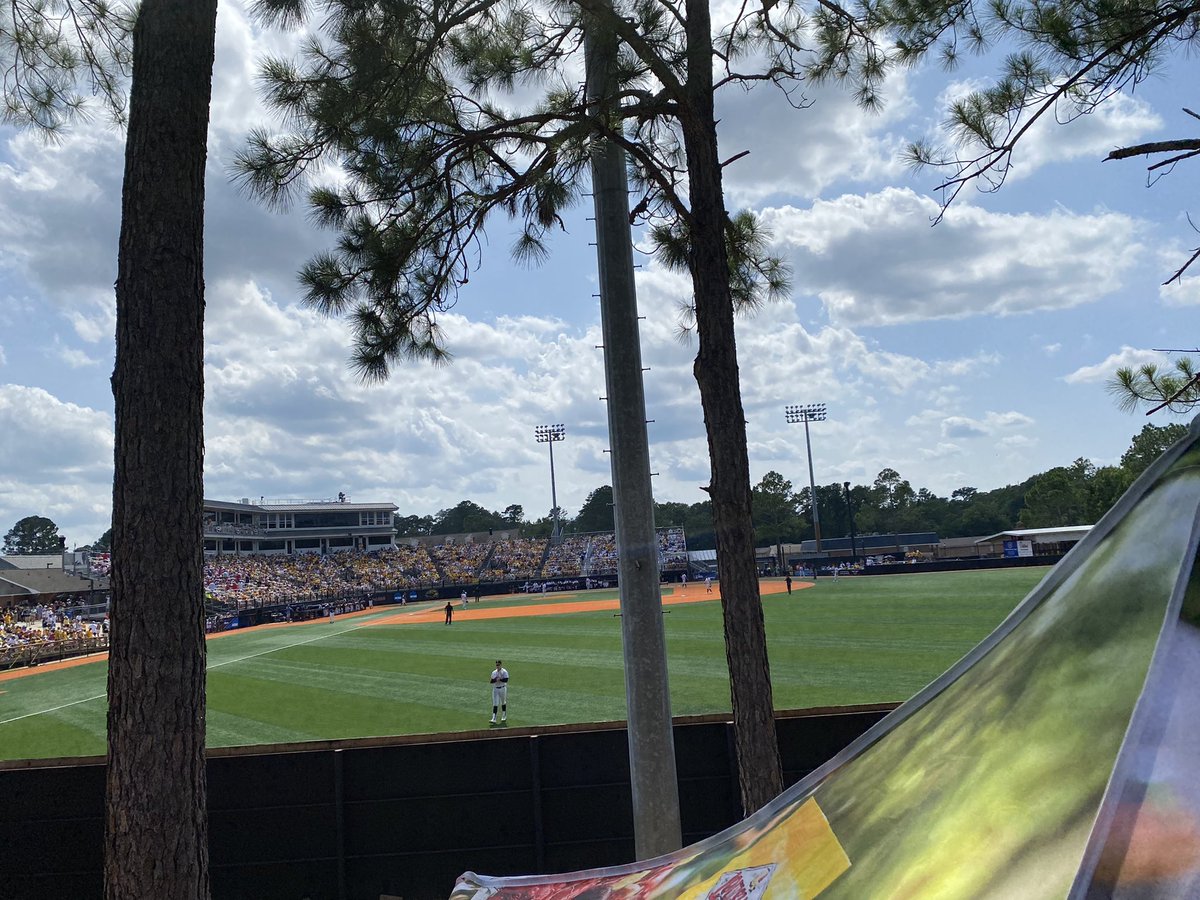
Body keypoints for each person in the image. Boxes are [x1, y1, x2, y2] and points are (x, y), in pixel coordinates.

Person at [490, 659, 509, 724]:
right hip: (495, 689)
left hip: (502, 688)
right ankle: (494, 718)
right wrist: (496, 679)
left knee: (503, 702)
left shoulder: (504, 671)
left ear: (501, 665)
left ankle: (504, 715)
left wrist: (500, 679)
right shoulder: (494, 672)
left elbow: (506, 680)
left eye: (498, 665)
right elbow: (491, 681)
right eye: (496, 665)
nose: (497, 666)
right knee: (495, 703)